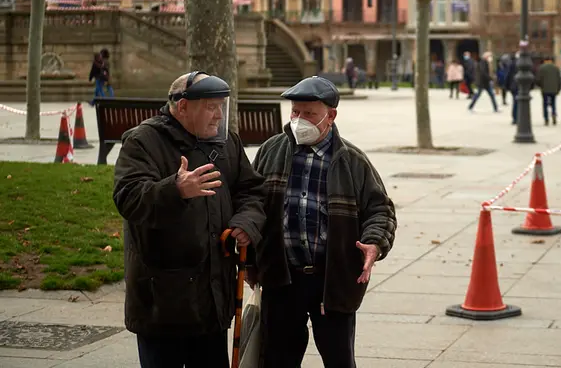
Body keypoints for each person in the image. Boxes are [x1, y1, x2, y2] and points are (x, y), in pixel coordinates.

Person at [113, 71, 268, 368]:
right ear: (182, 106)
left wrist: (245, 223)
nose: (218, 115)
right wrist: (176, 189)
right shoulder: (143, 142)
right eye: (211, 107)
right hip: (163, 303)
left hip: (212, 300)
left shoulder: (226, 144)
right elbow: (128, 197)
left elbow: (251, 191)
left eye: (221, 106)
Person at [247, 76, 397, 368]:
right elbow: (252, 205)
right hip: (282, 276)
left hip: (332, 279)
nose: (299, 120)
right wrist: (252, 261)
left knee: (339, 357)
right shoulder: (271, 151)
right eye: (295, 112)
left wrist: (374, 243)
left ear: (331, 116)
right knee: (277, 358)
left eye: (310, 114)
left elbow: (380, 209)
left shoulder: (352, 161)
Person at [535, 55, 561, 126]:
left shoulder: (541, 68)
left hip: (545, 89)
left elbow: (538, 79)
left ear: (544, 61)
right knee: (553, 103)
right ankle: (553, 115)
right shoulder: (556, 68)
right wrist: (558, 88)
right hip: (554, 89)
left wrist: (540, 86)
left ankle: (546, 119)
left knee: (545, 104)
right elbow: (559, 80)